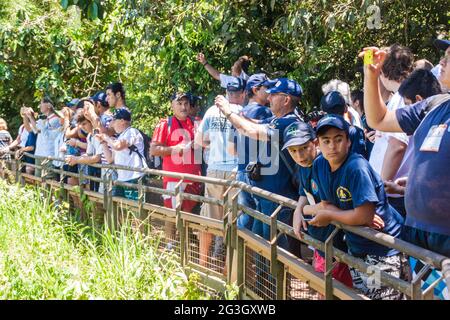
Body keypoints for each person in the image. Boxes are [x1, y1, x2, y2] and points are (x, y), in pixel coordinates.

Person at [360, 46, 450, 258]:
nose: (442, 61)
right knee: (417, 292)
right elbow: (378, 120)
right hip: (417, 232)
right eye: (443, 55)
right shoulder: (435, 104)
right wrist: (371, 76)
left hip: (445, 238)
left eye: (449, 58)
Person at [304, 114, 404, 300]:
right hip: (356, 245)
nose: (332, 146)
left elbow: (364, 216)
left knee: (380, 296)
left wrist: (336, 215)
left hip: (380, 249)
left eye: (338, 139)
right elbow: (329, 205)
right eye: (326, 141)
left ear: (348, 141)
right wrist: (349, 214)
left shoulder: (356, 167)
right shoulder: (319, 165)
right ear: (318, 143)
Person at [215, 78, 303, 251]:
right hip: (266, 198)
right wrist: (237, 115)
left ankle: (277, 279)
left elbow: (251, 131)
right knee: (259, 247)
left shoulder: (289, 123)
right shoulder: (278, 120)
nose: (268, 99)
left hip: (278, 201)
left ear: (286, 100)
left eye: (273, 95)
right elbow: (252, 124)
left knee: (273, 254)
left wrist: (227, 111)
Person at [283, 121, 353, 288]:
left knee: (337, 290)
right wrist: (298, 210)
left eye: (304, 148)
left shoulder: (324, 164)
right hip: (321, 242)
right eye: (293, 151)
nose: (299, 156)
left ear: (315, 143)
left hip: (337, 245)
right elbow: (304, 192)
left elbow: (327, 206)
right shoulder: (303, 165)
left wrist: (304, 210)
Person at [194, 77, 245, 269]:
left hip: (214, 170)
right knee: (233, 221)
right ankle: (229, 269)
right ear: (242, 94)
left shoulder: (211, 111)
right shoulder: (241, 112)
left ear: (226, 93)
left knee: (209, 219)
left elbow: (199, 140)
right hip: (235, 172)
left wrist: (212, 144)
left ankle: (202, 265)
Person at [367, 44, 414, 217]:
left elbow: (397, 146)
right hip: (393, 193)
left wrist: (379, 192)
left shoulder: (403, 97)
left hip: (392, 195)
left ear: (383, 71)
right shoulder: (401, 96)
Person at [151, 92, 202, 247]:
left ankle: (186, 248)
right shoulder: (164, 124)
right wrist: (175, 149)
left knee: (189, 213)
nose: (183, 106)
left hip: (195, 178)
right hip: (173, 178)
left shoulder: (197, 123)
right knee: (171, 213)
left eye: (186, 103)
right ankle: (170, 245)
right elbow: (154, 150)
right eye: (179, 103)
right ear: (172, 105)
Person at [229, 73, 273, 231]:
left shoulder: (239, 114)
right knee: (260, 222)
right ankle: (256, 255)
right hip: (259, 175)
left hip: (242, 170)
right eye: (267, 88)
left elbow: (232, 148)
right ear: (255, 90)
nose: (271, 92)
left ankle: (239, 255)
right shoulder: (265, 113)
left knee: (245, 219)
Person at [97, 108, 146, 200]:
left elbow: (118, 146)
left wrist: (106, 137)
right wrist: (103, 142)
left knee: (135, 210)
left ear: (122, 121)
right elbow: (110, 159)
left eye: (114, 120)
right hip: (121, 179)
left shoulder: (132, 132)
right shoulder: (121, 136)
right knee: (120, 210)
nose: (111, 124)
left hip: (134, 178)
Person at [320, 91, 367, 158]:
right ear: (346, 109)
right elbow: (360, 160)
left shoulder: (320, 134)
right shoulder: (355, 132)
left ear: (323, 113)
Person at [25, 97, 62, 178]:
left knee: (48, 181)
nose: (40, 105)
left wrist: (34, 118)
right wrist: (29, 116)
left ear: (49, 105)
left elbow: (41, 131)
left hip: (49, 154)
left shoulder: (56, 119)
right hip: (39, 153)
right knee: (38, 180)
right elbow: (33, 130)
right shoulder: (43, 118)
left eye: (41, 103)